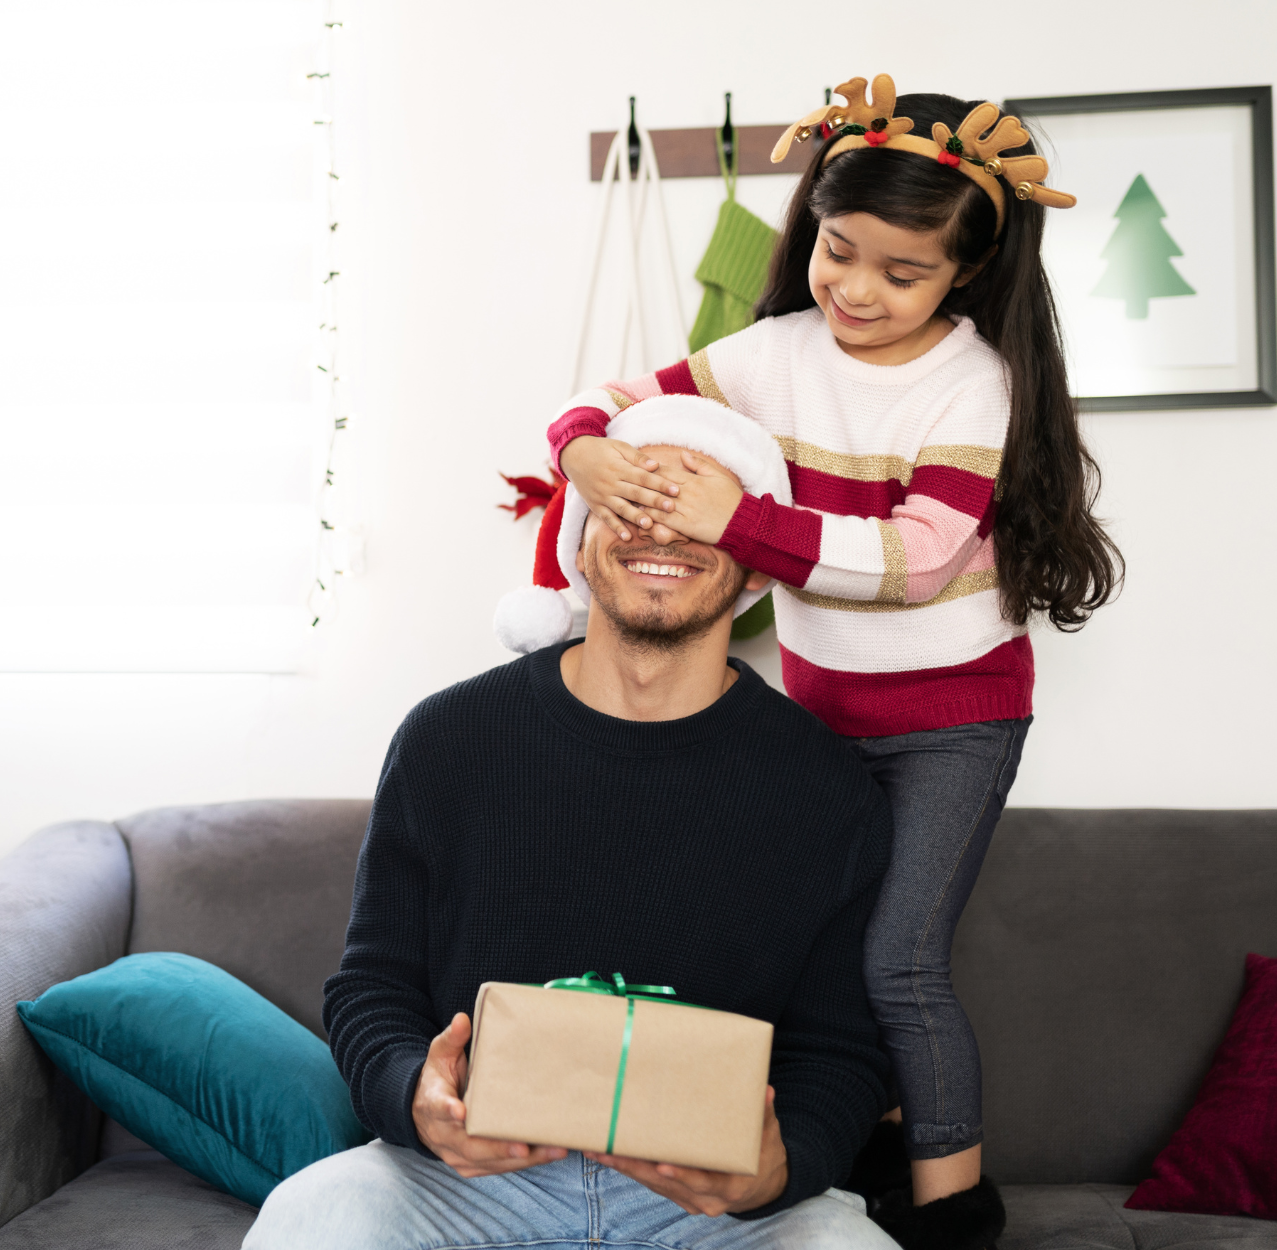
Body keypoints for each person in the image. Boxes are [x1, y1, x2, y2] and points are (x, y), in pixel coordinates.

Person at [542, 74, 1124, 1248]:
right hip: (816, 712)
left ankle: (955, 1215)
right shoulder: (768, 352)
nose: (855, 289)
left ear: (964, 270)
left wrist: (736, 519)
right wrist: (586, 450)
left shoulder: (972, 383)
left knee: (899, 959)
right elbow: (602, 398)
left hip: (955, 716)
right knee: (809, 953)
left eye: (898, 271)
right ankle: (848, 1156)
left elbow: (913, 560)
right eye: (835, 250)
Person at [245, 405, 900, 1250]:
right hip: (466, 1184)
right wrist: (417, 1097)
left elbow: (842, 1048)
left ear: (752, 565)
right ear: (579, 541)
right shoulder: (450, 739)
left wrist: (779, 1168)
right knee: (312, 1220)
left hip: (708, 1208)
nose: (661, 530)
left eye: (698, 508)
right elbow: (372, 987)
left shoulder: (825, 786)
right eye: (632, 503)